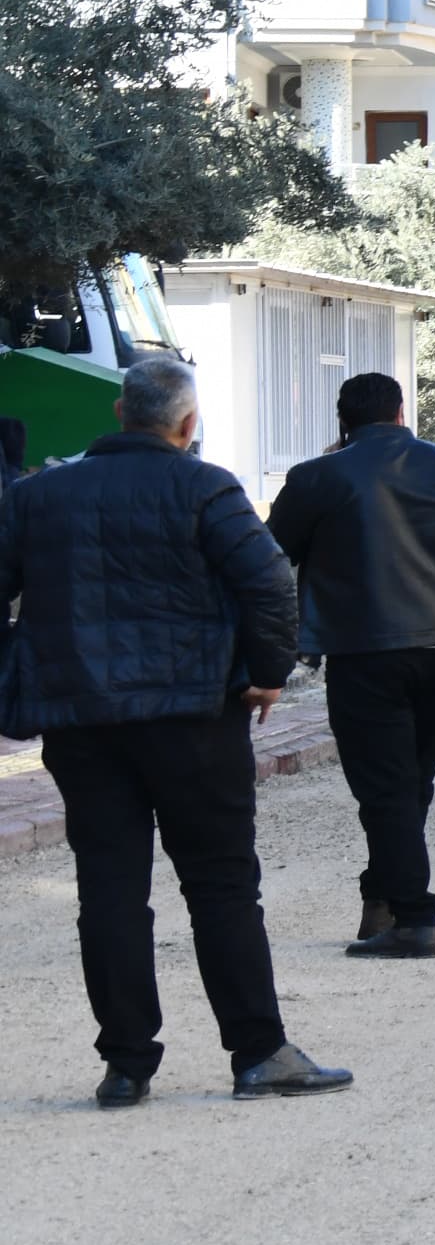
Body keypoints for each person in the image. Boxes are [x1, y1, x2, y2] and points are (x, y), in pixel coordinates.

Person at [0, 357, 347, 1104]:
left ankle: (126, 1065)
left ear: (120, 413)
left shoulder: (37, 496)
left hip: (82, 722)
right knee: (222, 886)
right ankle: (259, 1053)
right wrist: (266, 671)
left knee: (109, 890)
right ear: (188, 426)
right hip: (194, 718)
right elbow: (267, 583)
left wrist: (20, 679)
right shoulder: (204, 486)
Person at [263, 371, 435, 959]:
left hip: (364, 648)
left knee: (385, 789)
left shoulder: (316, 477)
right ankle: (381, 897)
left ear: (343, 422)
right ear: (401, 415)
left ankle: (413, 918)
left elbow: (271, 556)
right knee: (410, 783)